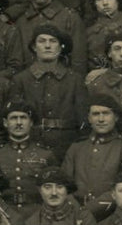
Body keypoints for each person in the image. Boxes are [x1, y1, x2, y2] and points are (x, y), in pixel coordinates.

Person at [7, 22, 86, 160]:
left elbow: (83, 120)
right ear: (34, 47)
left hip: (67, 145)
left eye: (53, 41)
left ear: (60, 47)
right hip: (32, 145)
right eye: (42, 41)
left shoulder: (75, 80)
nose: (48, 46)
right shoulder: (21, 80)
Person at [62, 95, 122, 218]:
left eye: (106, 113)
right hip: (74, 214)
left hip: (111, 216)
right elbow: (63, 184)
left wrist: (89, 210)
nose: (101, 119)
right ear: (89, 118)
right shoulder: (77, 147)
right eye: (95, 114)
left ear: (116, 117)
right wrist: (76, 210)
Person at [0, 101, 58, 215]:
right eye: (14, 118)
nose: (19, 123)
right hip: (4, 215)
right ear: (5, 123)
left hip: (37, 215)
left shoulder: (46, 155)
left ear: (31, 122)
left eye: (23, 118)